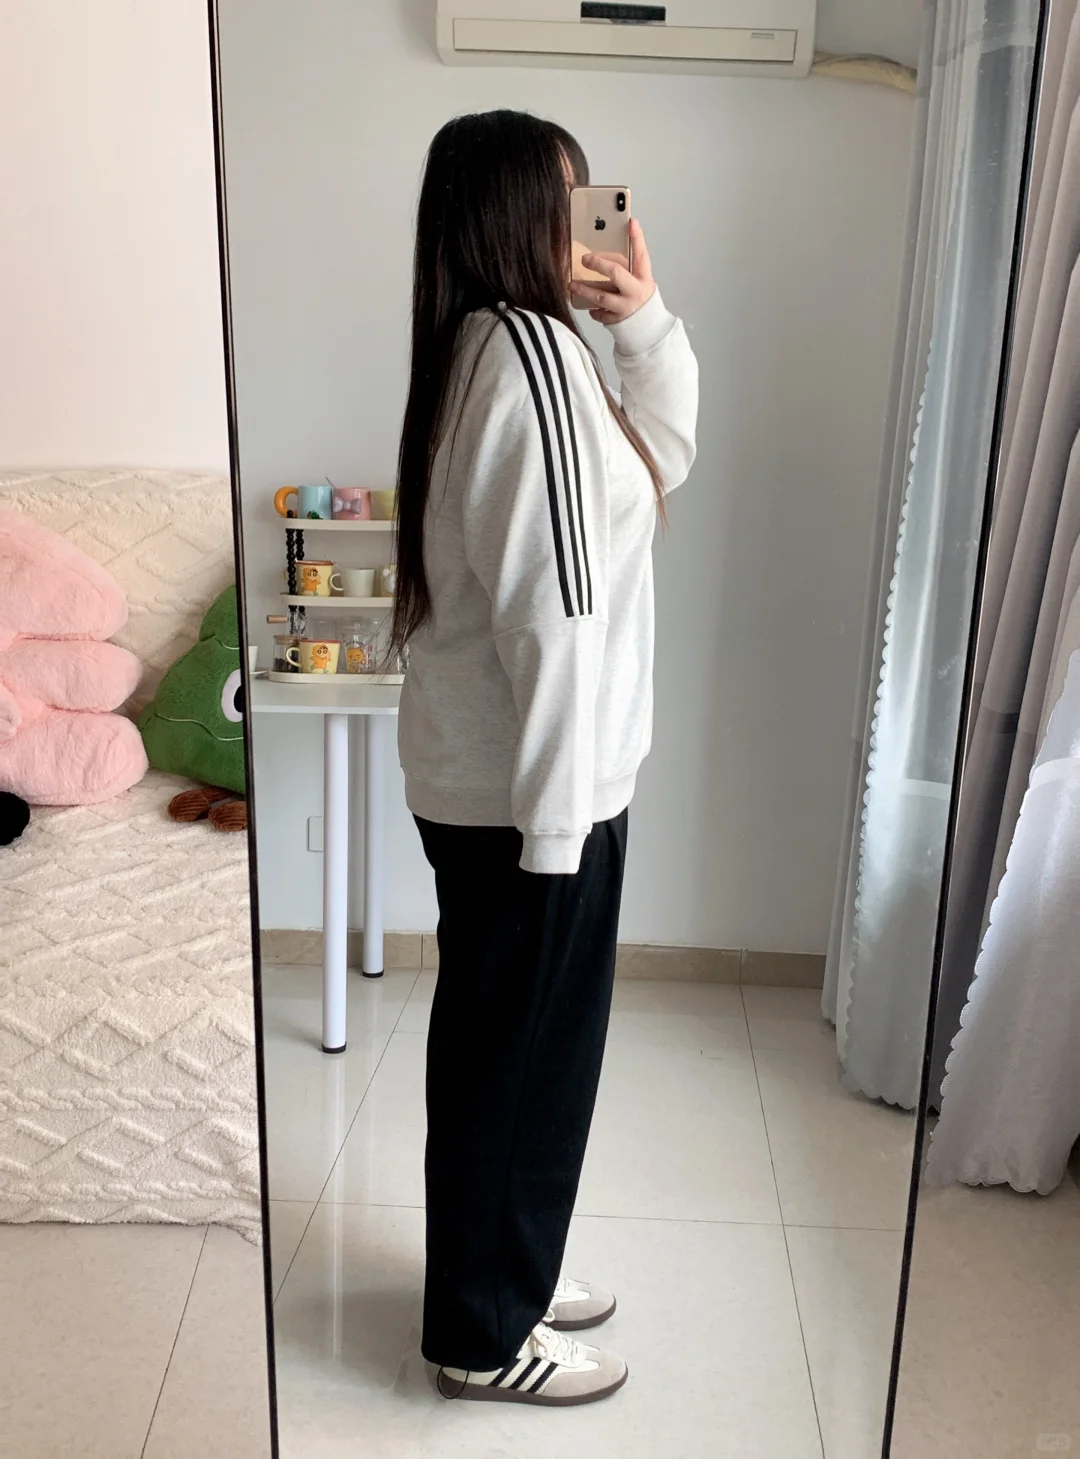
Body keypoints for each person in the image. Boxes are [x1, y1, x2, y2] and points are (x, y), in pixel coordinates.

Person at [393, 108, 698, 1406]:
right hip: (534, 800)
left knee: (500, 1057)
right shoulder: (527, 361)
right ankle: (483, 1332)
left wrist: (644, 322)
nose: (590, 228)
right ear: (516, 213)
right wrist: (562, 832)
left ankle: (500, 1269)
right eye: (569, 201)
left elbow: (659, 463)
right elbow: (559, 619)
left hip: (505, 785)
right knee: (522, 1066)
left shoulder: (504, 346)